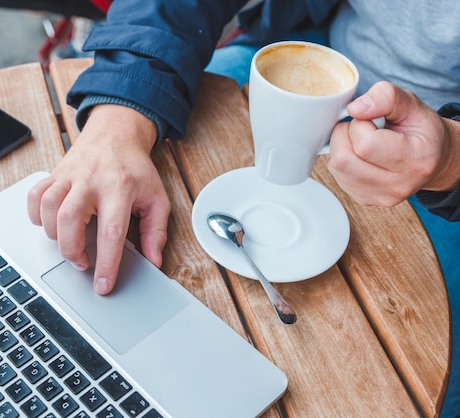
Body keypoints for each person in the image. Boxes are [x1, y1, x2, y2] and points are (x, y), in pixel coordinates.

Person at [26, 1, 460, 414]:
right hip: (309, 37)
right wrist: (122, 114)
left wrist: (449, 162)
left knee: (419, 370)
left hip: (445, 163)